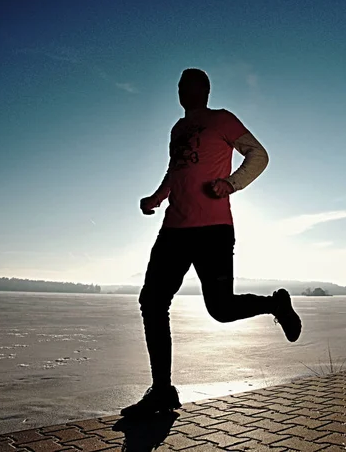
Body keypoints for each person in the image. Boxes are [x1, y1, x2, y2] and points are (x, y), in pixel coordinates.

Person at [121, 68, 302, 417]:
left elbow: (259, 155)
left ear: (204, 90)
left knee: (220, 308)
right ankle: (162, 391)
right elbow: (175, 172)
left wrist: (231, 184)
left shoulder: (222, 120)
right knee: (152, 302)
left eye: (189, 85)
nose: (182, 91)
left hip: (214, 229)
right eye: (179, 86)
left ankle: (275, 305)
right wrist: (157, 198)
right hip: (174, 229)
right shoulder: (177, 128)